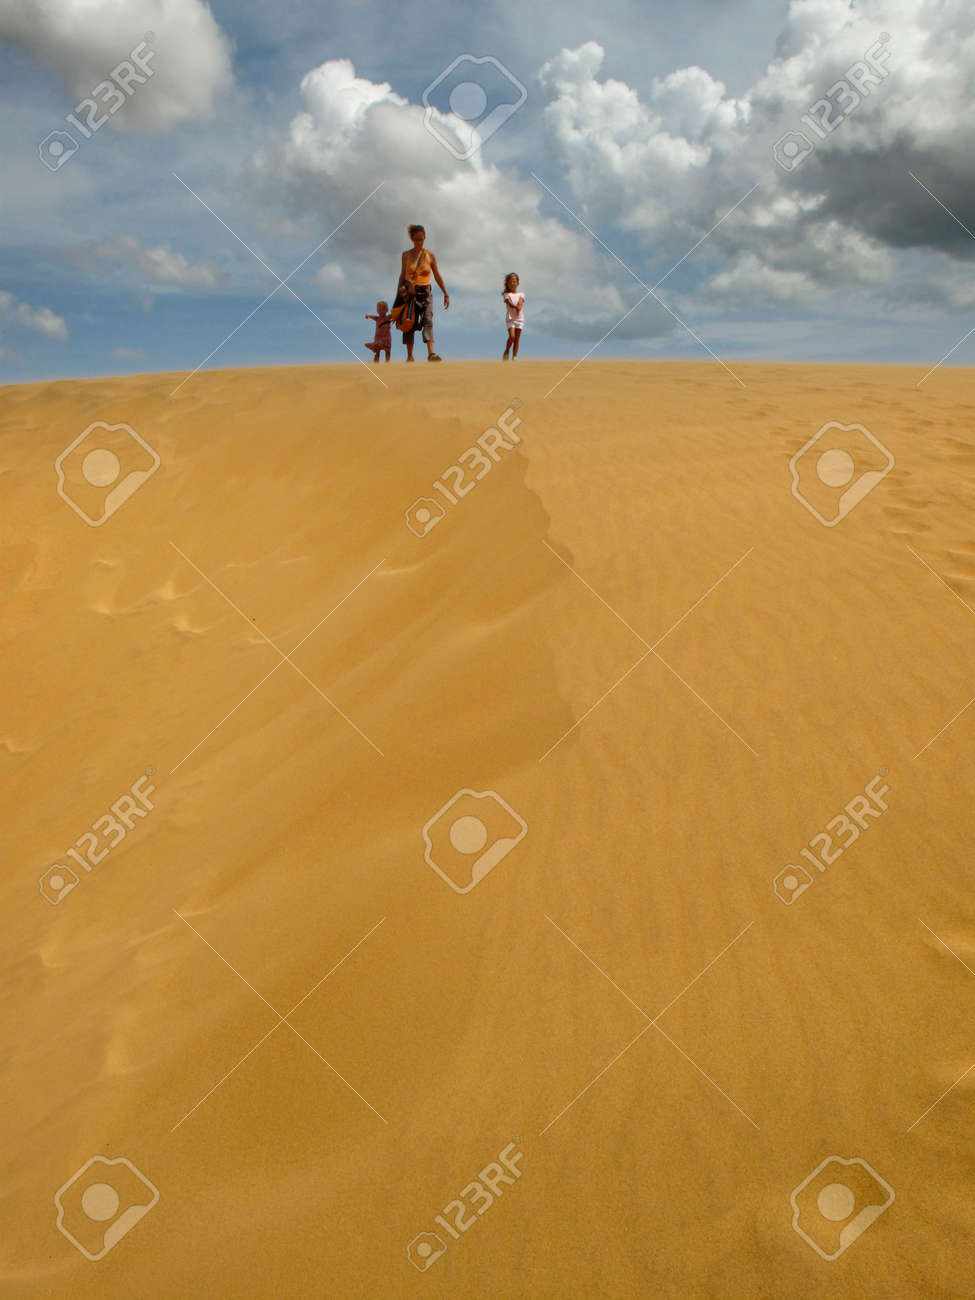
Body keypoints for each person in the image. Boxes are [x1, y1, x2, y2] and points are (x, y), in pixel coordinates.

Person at [399, 224, 449, 361]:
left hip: (426, 291)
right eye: (416, 240)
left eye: (421, 239)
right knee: (409, 323)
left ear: (425, 237)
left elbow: (437, 275)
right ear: (411, 239)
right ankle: (410, 356)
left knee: (428, 319)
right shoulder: (406, 255)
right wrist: (399, 295)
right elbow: (402, 275)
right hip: (410, 292)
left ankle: (431, 354)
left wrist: (446, 293)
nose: (419, 242)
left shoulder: (429, 255)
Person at [502, 272, 525, 360]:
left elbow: (521, 302)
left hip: (520, 319)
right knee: (512, 336)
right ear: (507, 284)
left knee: (517, 340)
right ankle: (507, 350)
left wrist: (519, 306)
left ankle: (514, 357)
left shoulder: (521, 294)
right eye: (510, 282)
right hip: (511, 318)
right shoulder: (506, 294)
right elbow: (509, 303)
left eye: (514, 281)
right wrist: (516, 307)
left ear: (518, 283)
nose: (512, 283)